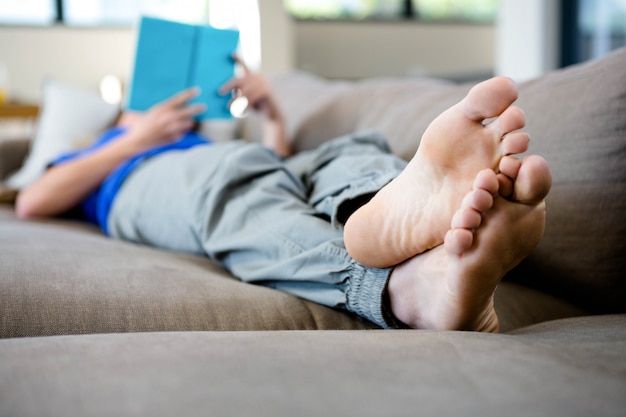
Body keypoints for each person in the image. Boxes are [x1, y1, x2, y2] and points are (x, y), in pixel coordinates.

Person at [15, 59, 552, 332]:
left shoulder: (194, 133)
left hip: (263, 162)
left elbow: (274, 158)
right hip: (161, 181)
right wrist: (135, 138)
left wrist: (271, 112)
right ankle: (410, 287)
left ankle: (391, 198)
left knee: (344, 154)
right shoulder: (104, 148)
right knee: (235, 194)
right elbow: (32, 202)